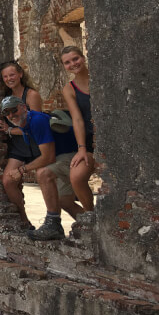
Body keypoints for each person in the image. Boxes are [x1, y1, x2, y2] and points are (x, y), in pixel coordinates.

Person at [2, 96, 83, 240]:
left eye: (14, 110)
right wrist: (8, 129)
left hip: (71, 156)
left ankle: (53, 224)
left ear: (24, 108)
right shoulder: (25, 124)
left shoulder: (37, 121)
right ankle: (92, 226)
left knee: (43, 173)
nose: (11, 115)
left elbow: (48, 157)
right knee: (64, 201)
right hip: (62, 158)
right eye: (6, 113)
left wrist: (21, 170)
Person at [0, 61, 43, 228]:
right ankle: (24, 219)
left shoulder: (31, 96)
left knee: (46, 179)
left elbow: (36, 128)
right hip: (19, 147)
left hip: (36, 144)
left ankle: (53, 220)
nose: (9, 79)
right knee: (8, 181)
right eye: (5, 76)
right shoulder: (5, 97)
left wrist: (9, 130)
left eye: (12, 75)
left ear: (20, 74)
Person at [61, 46, 95, 213]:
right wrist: (82, 148)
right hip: (89, 142)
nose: (73, 64)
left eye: (75, 59)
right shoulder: (69, 89)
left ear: (83, 57)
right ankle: (91, 217)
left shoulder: (99, 78)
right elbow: (77, 119)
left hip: (111, 139)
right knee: (76, 177)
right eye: (67, 62)